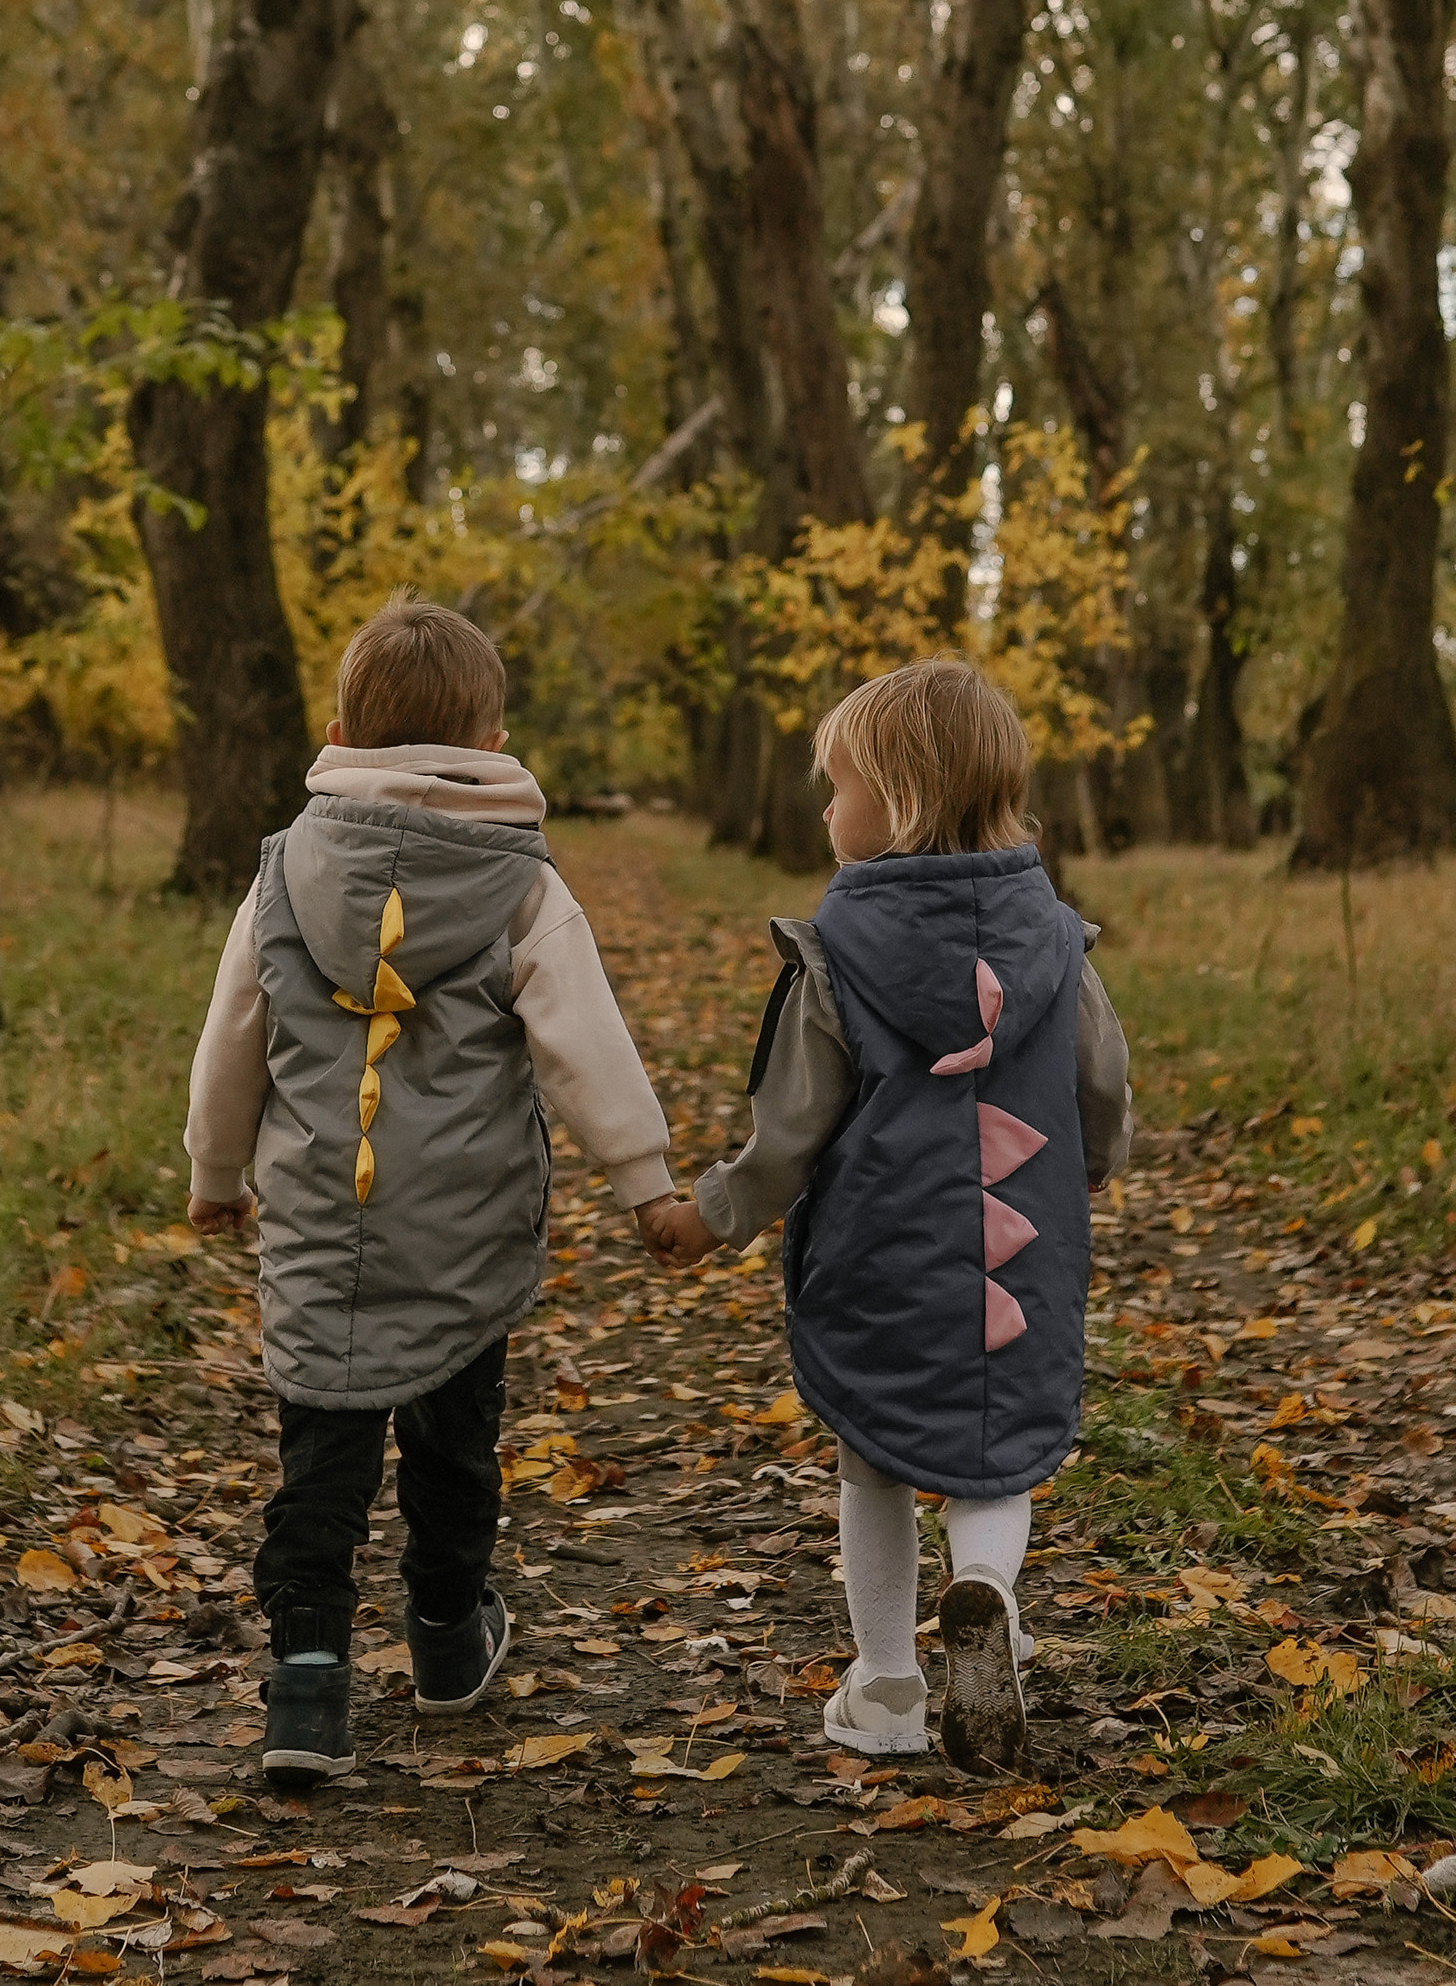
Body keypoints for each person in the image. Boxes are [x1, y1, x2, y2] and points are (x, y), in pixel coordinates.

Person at [186, 590, 701, 1786]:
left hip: (320, 1224)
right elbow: (585, 1041)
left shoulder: (278, 878)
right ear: (486, 739)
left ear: (344, 728)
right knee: (454, 1450)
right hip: (464, 1229)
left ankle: (305, 1688)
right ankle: (443, 1637)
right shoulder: (519, 882)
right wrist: (645, 1181)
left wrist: (217, 1172)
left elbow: (231, 1038)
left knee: (321, 1458)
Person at [658, 656, 1133, 1775]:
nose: (825, 808)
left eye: (838, 786)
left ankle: (884, 1686)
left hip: (879, 1251)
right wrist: (1097, 1162)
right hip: (1020, 1256)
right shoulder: (1054, 939)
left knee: (871, 1452)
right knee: (994, 1461)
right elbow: (1100, 1078)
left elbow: (791, 1126)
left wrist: (712, 1213)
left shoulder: (837, 951)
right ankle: (988, 1597)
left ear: (901, 798)